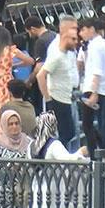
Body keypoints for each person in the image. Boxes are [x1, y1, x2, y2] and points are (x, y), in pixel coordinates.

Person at [78, 18, 105, 156]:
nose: (81, 33)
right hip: (103, 85)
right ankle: (103, 149)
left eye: (83, 30)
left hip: (94, 87)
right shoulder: (104, 44)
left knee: (87, 123)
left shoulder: (95, 46)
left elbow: (97, 70)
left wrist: (94, 92)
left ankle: (97, 153)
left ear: (92, 29)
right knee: (102, 120)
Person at [37, 15, 79, 147]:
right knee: (64, 133)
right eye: (73, 29)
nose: (76, 34)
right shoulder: (56, 50)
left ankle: (67, 156)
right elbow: (41, 75)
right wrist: (48, 99)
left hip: (69, 95)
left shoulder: (68, 51)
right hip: (57, 97)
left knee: (70, 132)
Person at [0, 110, 32, 208]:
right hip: (4, 191)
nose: (14, 126)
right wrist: (9, 168)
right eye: (10, 124)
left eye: (17, 123)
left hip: (23, 191)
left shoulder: (28, 141)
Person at [24, 15, 56, 114]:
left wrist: (29, 81)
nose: (29, 35)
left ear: (33, 29)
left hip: (47, 83)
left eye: (29, 32)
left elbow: (39, 66)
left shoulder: (40, 42)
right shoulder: (55, 35)